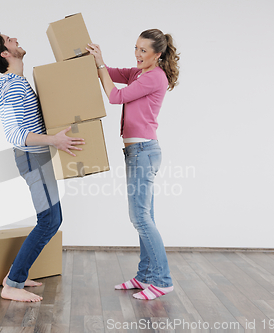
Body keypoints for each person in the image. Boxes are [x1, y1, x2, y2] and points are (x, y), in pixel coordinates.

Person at [0, 30, 85, 302]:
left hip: (36, 156)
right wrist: (55, 141)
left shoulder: (15, 81)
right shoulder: (12, 84)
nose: (14, 38)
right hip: (32, 157)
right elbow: (14, 134)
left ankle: (17, 274)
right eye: (8, 40)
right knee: (49, 220)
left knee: (52, 219)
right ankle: (12, 284)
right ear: (5, 53)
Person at [86, 29, 180, 300]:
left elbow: (116, 96)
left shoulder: (155, 77)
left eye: (143, 51)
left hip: (143, 152)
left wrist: (101, 65)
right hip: (136, 152)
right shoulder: (139, 72)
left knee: (139, 218)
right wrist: (95, 59)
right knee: (144, 217)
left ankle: (162, 280)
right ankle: (145, 276)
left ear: (157, 54)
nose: (137, 54)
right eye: (136, 48)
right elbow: (109, 73)